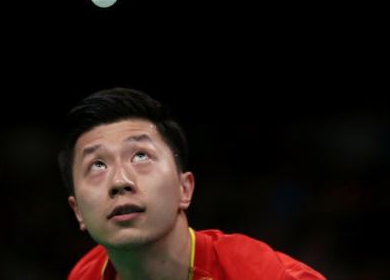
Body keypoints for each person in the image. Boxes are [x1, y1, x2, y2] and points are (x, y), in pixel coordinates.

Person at [58, 87, 327, 279]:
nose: (120, 180)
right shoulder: (86, 274)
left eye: (141, 156)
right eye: (97, 165)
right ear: (77, 210)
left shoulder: (267, 275)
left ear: (184, 188)